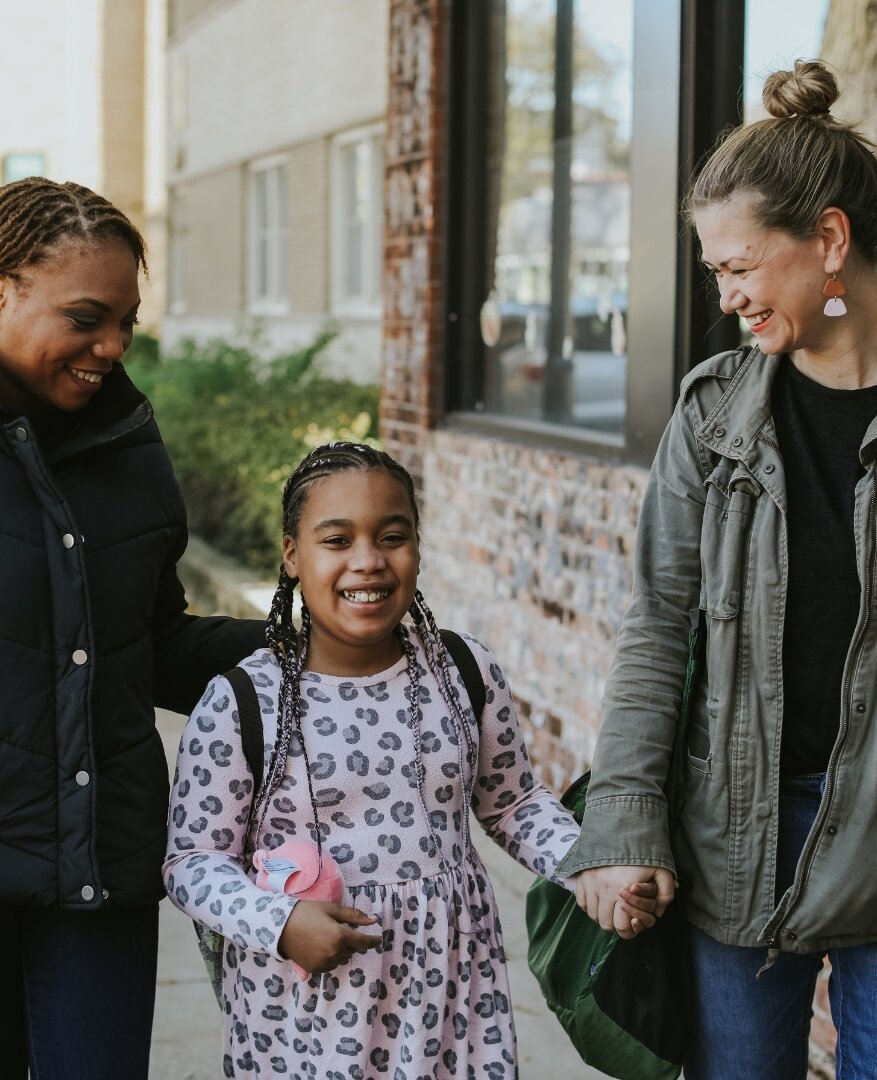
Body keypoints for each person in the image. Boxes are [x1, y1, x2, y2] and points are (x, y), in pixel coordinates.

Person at [561, 60, 877, 1080]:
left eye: (740, 267)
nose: (726, 299)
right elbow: (660, 623)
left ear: (830, 242)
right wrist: (622, 821)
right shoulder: (712, 415)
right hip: (731, 841)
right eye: (714, 272)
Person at [163, 441, 656, 1078]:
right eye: (336, 541)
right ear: (292, 554)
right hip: (304, 1016)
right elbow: (192, 862)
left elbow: (513, 804)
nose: (367, 562)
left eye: (392, 536)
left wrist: (590, 869)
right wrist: (279, 921)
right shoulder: (241, 702)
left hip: (451, 992)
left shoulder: (463, 672)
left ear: (417, 544)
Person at [0, 177, 264, 1078]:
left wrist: (312, 647)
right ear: (5, 289)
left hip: (99, 867)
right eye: (86, 318)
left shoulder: (126, 441)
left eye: (126, 323)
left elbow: (150, 645)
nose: (110, 347)